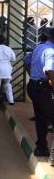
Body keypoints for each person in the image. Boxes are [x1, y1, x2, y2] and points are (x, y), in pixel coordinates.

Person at [26, 27, 54, 160]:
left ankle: (41, 148)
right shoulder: (50, 50)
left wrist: (33, 76)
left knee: (41, 118)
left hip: (33, 86)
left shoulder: (39, 47)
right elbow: (49, 70)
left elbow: (26, 61)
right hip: (42, 89)